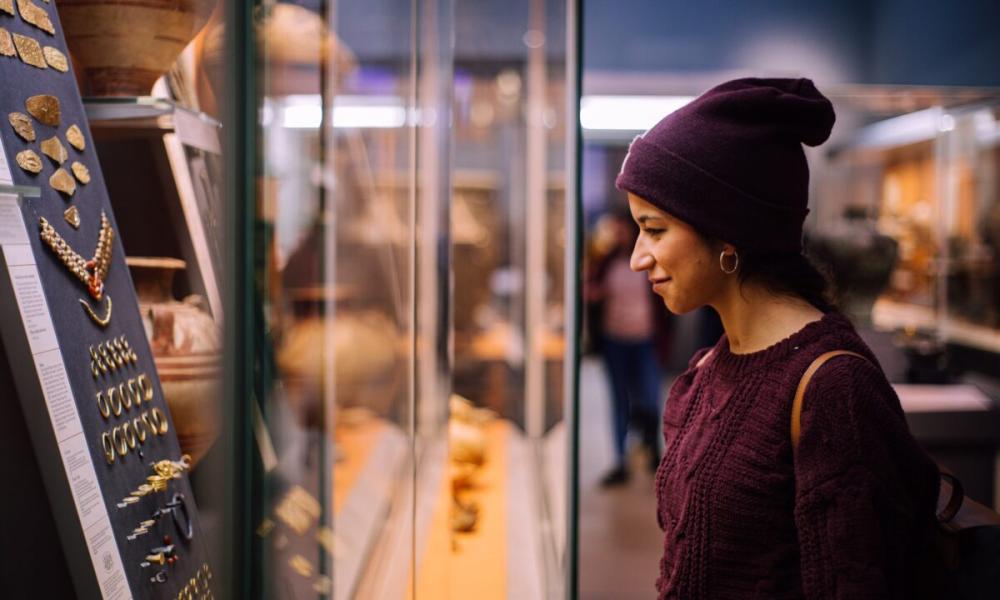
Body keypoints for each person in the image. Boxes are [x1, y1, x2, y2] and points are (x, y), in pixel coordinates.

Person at [615, 78, 941, 599]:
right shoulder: (706, 371)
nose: (637, 257)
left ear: (726, 233)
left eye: (655, 230)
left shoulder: (832, 389)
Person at [586, 210, 665, 486]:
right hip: (614, 339)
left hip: (644, 339)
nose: (618, 234)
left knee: (649, 395)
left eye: (621, 228)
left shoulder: (648, 259)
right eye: (614, 229)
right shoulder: (606, 262)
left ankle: (654, 450)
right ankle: (620, 460)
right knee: (619, 399)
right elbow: (593, 293)